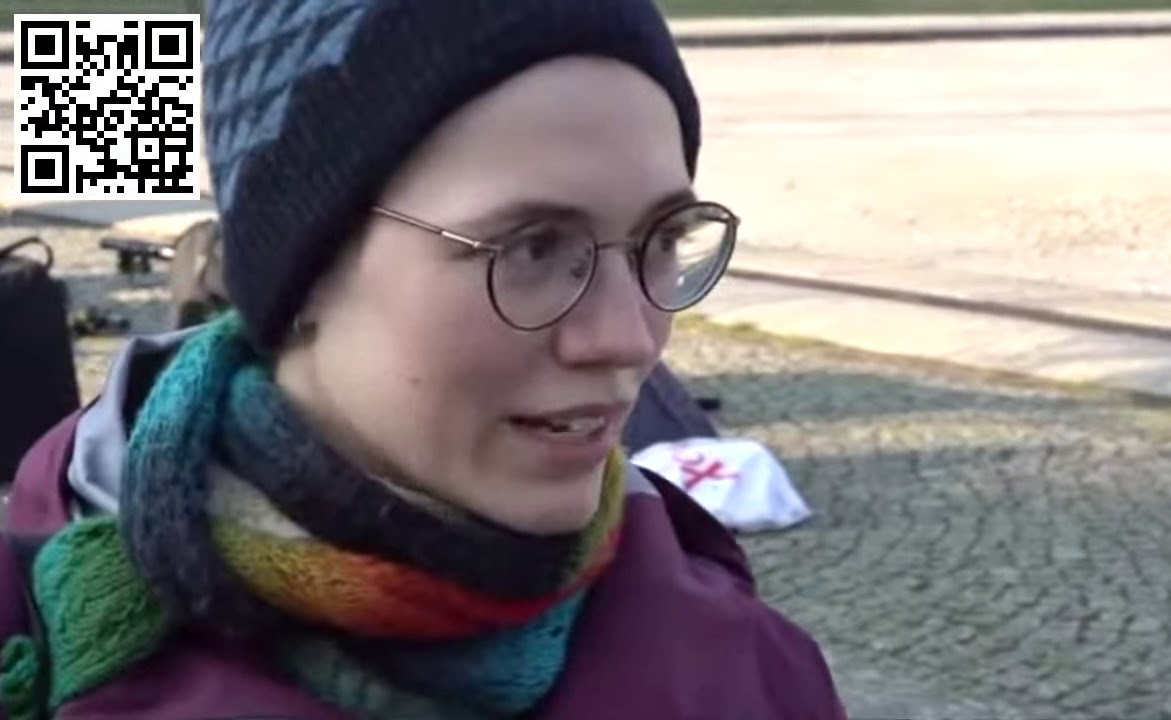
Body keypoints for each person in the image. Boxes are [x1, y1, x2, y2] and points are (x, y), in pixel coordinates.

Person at [0, 1, 845, 717]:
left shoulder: (750, 673)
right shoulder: (36, 629)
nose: (631, 339)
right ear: (302, 273)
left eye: (664, 239)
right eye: (532, 246)